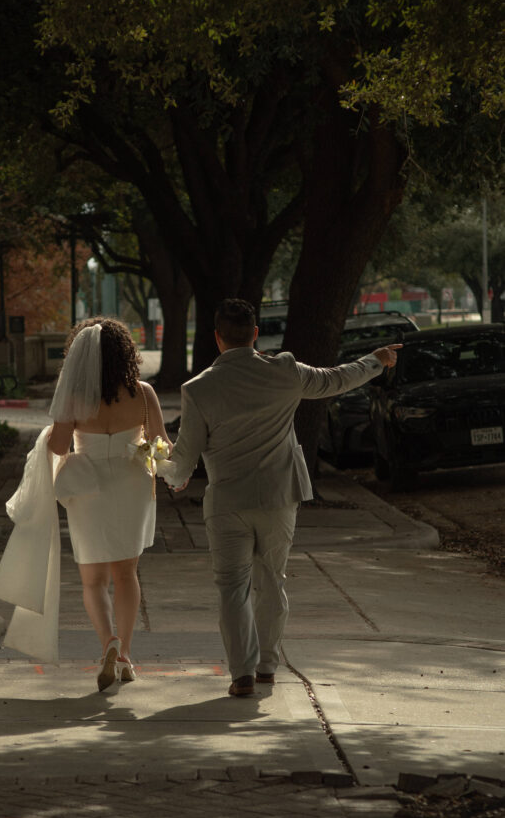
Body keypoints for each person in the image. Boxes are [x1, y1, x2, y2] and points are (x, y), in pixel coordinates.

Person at [164, 298, 402, 697]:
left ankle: (241, 673)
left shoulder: (198, 389)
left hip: (226, 503)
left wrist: (162, 469)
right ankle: (267, 666)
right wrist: (376, 360)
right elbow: (337, 378)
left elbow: (184, 459)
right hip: (279, 496)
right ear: (255, 334)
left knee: (231, 587)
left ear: (217, 338)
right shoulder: (286, 371)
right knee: (271, 581)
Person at [47, 317, 171, 691]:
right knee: (126, 573)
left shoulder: (75, 397)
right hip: (133, 483)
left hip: (88, 487)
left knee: (93, 579)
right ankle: (128, 655)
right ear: (125, 354)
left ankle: (108, 646)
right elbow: (161, 445)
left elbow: (57, 446)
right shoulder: (143, 392)